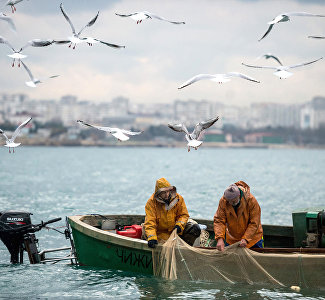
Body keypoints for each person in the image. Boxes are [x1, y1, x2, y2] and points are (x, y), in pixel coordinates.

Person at [144, 177, 200, 248]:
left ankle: (187, 247)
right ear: (158, 193)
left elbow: (184, 215)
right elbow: (150, 222)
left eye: (168, 191)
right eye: (163, 192)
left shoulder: (178, 198)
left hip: (177, 230)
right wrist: (152, 238)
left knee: (195, 228)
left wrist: (179, 225)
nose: (167, 194)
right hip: (161, 234)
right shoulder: (151, 203)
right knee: (166, 244)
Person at [214, 181, 263, 251]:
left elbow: (254, 223)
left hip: (253, 240)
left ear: (239, 196)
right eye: (229, 201)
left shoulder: (251, 201)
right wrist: (219, 238)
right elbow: (219, 220)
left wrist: (246, 239)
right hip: (232, 240)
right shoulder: (224, 201)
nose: (230, 203)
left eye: (233, 201)